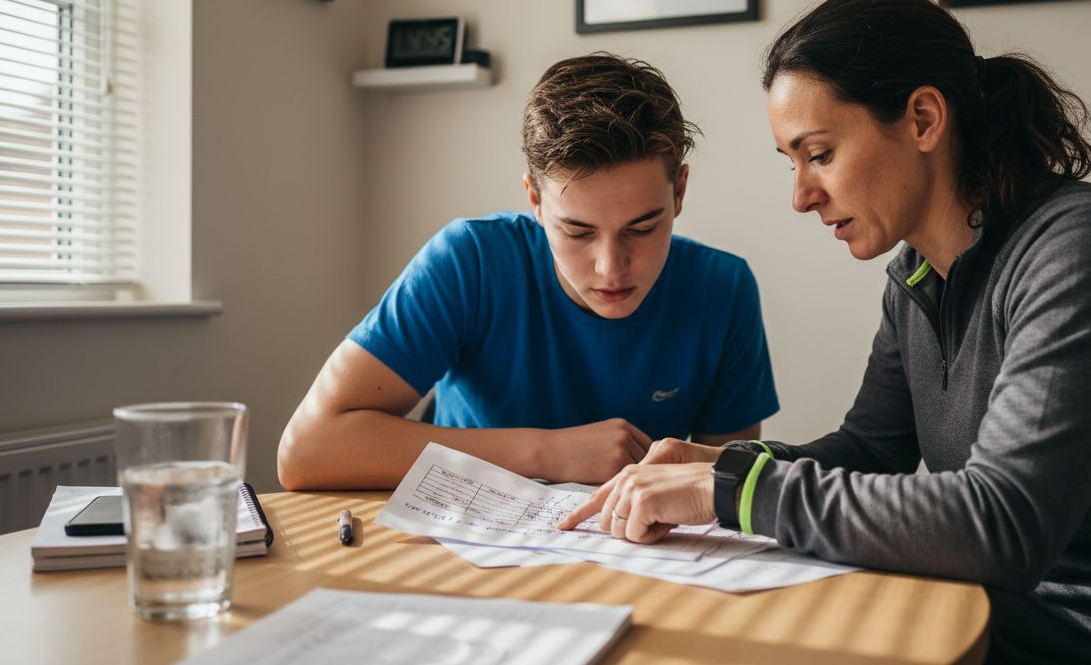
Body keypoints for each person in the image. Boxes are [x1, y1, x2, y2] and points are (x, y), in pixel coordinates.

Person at [559, 0, 1091, 664]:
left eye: (818, 154)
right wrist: (718, 465)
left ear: (923, 118)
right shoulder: (919, 277)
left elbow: (1004, 523)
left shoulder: (1086, 251)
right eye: (792, 162)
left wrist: (732, 490)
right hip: (1014, 634)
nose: (802, 196)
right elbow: (870, 451)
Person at [278, 53, 778, 490]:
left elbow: (724, 491)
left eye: (642, 228)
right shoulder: (469, 260)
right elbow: (306, 450)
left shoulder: (723, 289)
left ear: (680, 193)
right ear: (535, 201)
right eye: (578, 232)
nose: (610, 267)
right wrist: (548, 453)